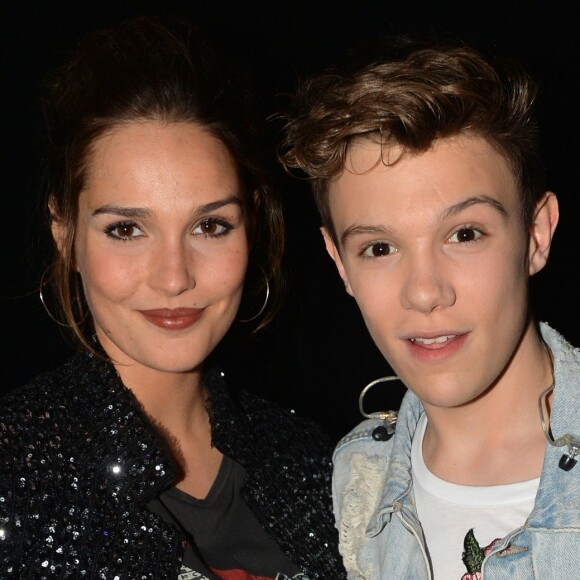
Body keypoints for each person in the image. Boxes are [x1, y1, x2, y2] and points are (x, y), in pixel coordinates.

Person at [0, 17, 346, 579]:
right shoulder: (15, 471)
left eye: (210, 226)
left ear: (251, 227)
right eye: (126, 230)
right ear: (66, 235)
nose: (174, 277)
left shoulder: (314, 461)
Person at [280, 38, 580, 579]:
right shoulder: (352, 480)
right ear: (339, 262)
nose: (424, 292)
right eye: (379, 248)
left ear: (536, 233)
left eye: (464, 234)